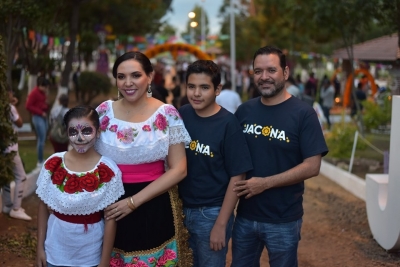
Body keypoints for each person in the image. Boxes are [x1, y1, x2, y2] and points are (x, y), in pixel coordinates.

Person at [231, 46, 328, 267]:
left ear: (285, 72)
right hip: (245, 215)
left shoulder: (303, 114)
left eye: (271, 70)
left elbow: (313, 166)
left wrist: (265, 184)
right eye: (258, 71)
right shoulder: (244, 111)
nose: (264, 77)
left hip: (284, 220)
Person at [95, 51, 192, 266]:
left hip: (153, 205)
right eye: (121, 77)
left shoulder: (167, 114)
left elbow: (179, 169)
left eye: (135, 75)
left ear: (149, 76)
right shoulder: (103, 112)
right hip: (107, 205)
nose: (128, 83)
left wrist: (132, 202)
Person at [178, 60, 253, 267]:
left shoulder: (228, 124)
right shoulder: (182, 114)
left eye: (204, 88)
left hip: (211, 213)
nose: (196, 93)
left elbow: (238, 176)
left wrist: (221, 224)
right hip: (181, 208)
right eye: (191, 87)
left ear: (217, 89)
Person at [36, 105, 125, 267]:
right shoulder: (53, 164)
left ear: (98, 132)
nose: (79, 138)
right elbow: (43, 206)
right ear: (66, 132)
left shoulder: (108, 170)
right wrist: (39, 248)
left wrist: (104, 262)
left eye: (86, 131)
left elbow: (110, 218)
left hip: (90, 256)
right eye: (73, 132)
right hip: (54, 253)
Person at [2, 89, 32, 221]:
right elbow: (19, 123)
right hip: (11, 147)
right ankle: (16, 208)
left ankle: (8, 206)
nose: (12, 95)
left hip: (2, 148)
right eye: (10, 93)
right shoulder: (9, 108)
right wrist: (14, 105)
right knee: (21, 176)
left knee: (6, 177)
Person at [25, 76, 50, 167]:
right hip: (37, 117)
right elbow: (28, 106)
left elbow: (40, 103)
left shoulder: (43, 93)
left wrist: (45, 106)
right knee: (41, 138)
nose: (46, 89)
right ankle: (39, 161)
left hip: (43, 116)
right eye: (45, 87)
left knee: (43, 138)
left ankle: (41, 158)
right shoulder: (34, 93)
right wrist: (40, 112)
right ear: (40, 85)